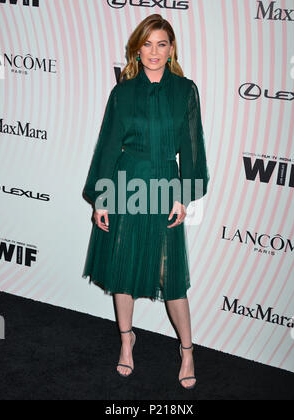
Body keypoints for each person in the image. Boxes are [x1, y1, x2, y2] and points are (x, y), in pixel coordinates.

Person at [82, 14, 210, 390]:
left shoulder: (186, 91)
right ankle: (126, 341)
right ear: (138, 48)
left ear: (171, 49)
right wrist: (102, 198)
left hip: (164, 186)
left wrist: (184, 195)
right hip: (124, 183)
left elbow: (192, 147)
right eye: (148, 44)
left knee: (170, 278)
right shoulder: (122, 91)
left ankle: (187, 349)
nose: (154, 51)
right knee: (122, 268)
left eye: (162, 44)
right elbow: (107, 146)